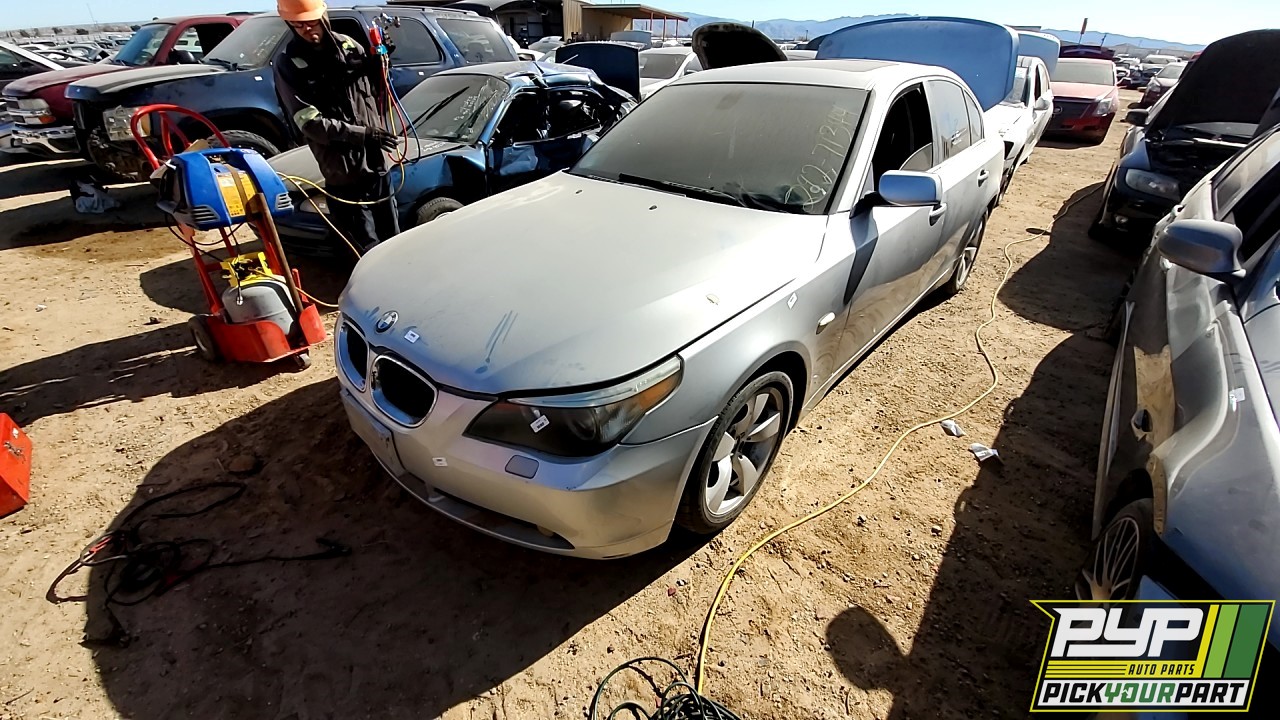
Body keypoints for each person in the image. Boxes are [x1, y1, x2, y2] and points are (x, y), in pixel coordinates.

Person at [273, 0, 400, 251]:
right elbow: (309, 123)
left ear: (324, 16)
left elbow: (378, 93)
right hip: (344, 171)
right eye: (298, 25)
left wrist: (381, 65)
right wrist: (363, 135)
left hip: (376, 164)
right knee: (365, 246)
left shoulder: (350, 47)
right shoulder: (289, 63)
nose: (307, 29)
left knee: (394, 238)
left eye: (311, 22)